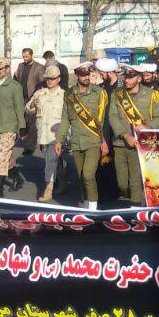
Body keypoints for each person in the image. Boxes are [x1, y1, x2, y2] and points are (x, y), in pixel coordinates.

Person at [106, 65, 159, 205]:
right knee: (122, 183)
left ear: (139, 78)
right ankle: (135, 199)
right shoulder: (117, 94)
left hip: (140, 144)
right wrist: (126, 135)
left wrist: (147, 127)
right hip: (120, 143)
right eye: (126, 77)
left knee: (136, 182)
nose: (127, 80)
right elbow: (113, 117)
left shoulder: (151, 94)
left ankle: (136, 211)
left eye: (131, 77)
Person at [56, 63, 109, 210]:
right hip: (76, 142)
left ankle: (93, 208)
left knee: (88, 175)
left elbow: (102, 121)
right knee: (81, 177)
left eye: (89, 74)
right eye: (83, 75)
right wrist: (59, 140)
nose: (87, 77)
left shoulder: (99, 93)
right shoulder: (69, 94)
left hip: (93, 141)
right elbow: (65, 119)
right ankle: (86, 204)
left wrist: (103, 141)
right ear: (76, 76)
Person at [0, 57, 26, 195]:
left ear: (7, 69)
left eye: (1, 69)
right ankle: (17, 177)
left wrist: (23, 127)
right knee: (2, 156)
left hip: (9, 126)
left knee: (1, 157)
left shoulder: (15, 87)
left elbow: (20, 108)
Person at [27, 65, 66, 201]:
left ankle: (48, 190)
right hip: (42, 134)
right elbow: (28, 108)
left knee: (50, 161)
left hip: (56, 135)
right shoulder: (40, 93)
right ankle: (62, 180)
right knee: (55, 161)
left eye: (52, 78)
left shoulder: (64, 95)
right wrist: (33, 104)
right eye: (48, 78)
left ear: (59, 79)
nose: (49, 81)